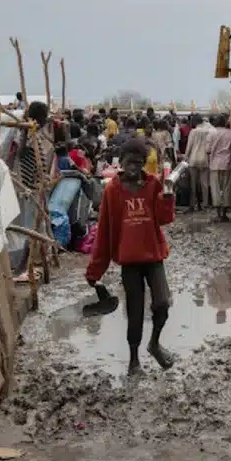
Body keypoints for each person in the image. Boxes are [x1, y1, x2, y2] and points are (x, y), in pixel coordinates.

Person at [85, 137, 177, 375]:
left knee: (162, 303)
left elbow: (164, 219)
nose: (135, 167)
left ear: (145, 163)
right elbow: (104, 231)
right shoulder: (113, 191)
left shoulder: (153, 184)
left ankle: (154, 344)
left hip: (154, 257)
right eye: (130, 162)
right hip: (129, 261)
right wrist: (95, 271)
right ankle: (134, 360)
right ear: (121, 162)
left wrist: (167, 198)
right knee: (134, 312)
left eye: (139, 163)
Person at [205, 114, 231, 221]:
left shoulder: (211, 133)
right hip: (227, 164)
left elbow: (208, 150)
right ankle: (224, 214)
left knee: (216, 189)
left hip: (214, 164)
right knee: (227, 188)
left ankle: (218, 214)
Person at [183, 114, 214, 212]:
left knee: (193, 183)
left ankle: (193, 204)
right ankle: (205, 204)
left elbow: (189, 146)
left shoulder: (193, 131)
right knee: (204, 184)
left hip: (193, 159)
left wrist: (186, 157)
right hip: (205, 159)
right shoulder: (209, 131)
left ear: (195, 122)